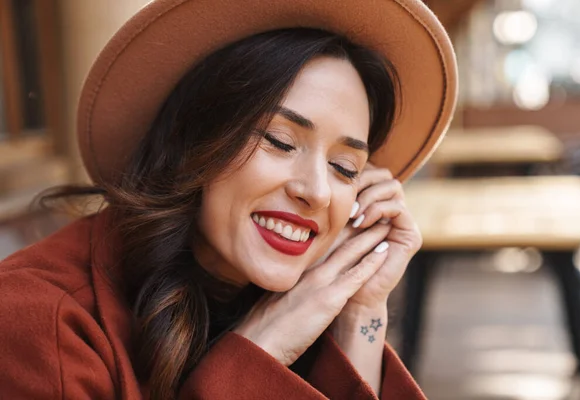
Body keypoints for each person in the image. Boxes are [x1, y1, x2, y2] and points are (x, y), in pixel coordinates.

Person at [0, 0, 457, 399]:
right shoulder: (37, 321)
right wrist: (260, 354)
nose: (316, 191)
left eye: (345, 169)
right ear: (192, 138)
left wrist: (360, 310)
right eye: (279, 141)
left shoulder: (297, 302)